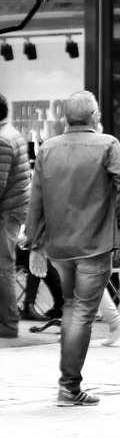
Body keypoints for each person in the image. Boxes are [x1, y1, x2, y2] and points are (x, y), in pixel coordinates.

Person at [24, 91, 120, 405]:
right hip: (94, 245)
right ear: (94, 115)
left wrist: (34, 244)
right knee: (81, 313)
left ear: (66, 117)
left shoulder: (48, 148)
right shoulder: (107, 145)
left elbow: (36, 200)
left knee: (73, 307)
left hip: (59, 247)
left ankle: (69, 386)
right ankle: (69, 387)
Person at [0, 93, 31, 338]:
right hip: (16, 207)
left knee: (3, 267)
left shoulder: (1, 139)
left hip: (7, 211)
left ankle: (8, 324)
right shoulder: (12, 132)